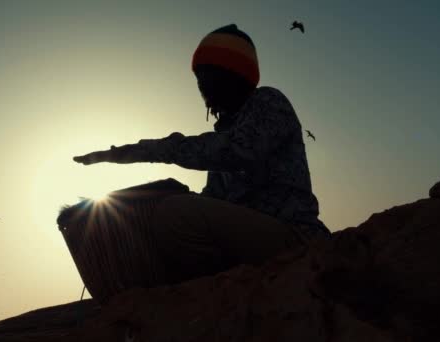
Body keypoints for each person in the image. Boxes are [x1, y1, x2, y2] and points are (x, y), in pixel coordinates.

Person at [73, 24, 330, 285]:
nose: (203, 86)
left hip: (296, 237)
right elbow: (218, 199)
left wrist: (135, 152)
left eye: (209, 75)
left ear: (234, 74)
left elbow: (238, 151)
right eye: (199, 78)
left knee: (178, 214)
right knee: (157, 216)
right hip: (252, 240)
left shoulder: (268, 102)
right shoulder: (227, 130)